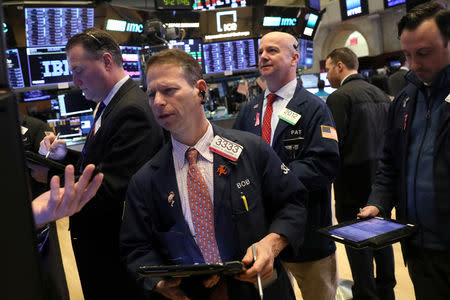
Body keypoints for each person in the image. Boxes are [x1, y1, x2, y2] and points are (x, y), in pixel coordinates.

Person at [120, 49, 308, 300]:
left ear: (200, 90)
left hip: (259, 290)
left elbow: (293, 203)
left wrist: (271, 245)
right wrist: (158, 283)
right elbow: (135, 247)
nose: (157, 102)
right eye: (151, 93)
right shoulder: (146, 180)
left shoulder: (250, 150)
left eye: (169, 90)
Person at [37, 28, 165, 299]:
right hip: (103, 245)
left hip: (114, 249)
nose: (75, 80)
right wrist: (64, 159)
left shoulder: (132, 109)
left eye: (79, 70)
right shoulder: (111, 104)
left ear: (107, 61)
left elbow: (112, 189)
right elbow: (101, 165)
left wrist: (52, 184)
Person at [233, 31, 341, 300]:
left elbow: (324, 164)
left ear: (294, 57)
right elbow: (235, 159)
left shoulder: (315, 108)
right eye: (260, 52)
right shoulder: (250, 110)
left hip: (309, 236)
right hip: (264, 238)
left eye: (272, 50)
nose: (263, 57)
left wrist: (272, 177)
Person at [359, 2, 450, 300]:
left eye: (423, 53)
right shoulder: (406, 99)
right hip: (419, 249)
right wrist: (378, 204)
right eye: (408, 55)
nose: (414, 64)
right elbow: (390, 163)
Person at [325, 47, 394, 300]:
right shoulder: (380, 94)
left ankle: (366, 295)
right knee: (382, 241)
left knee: (359, 250)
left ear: (340, 66)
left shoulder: (339, 97)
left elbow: (334, 145)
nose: (327, 74)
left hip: (351, 187)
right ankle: (386, 293)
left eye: (328, 67)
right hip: (380, 185)